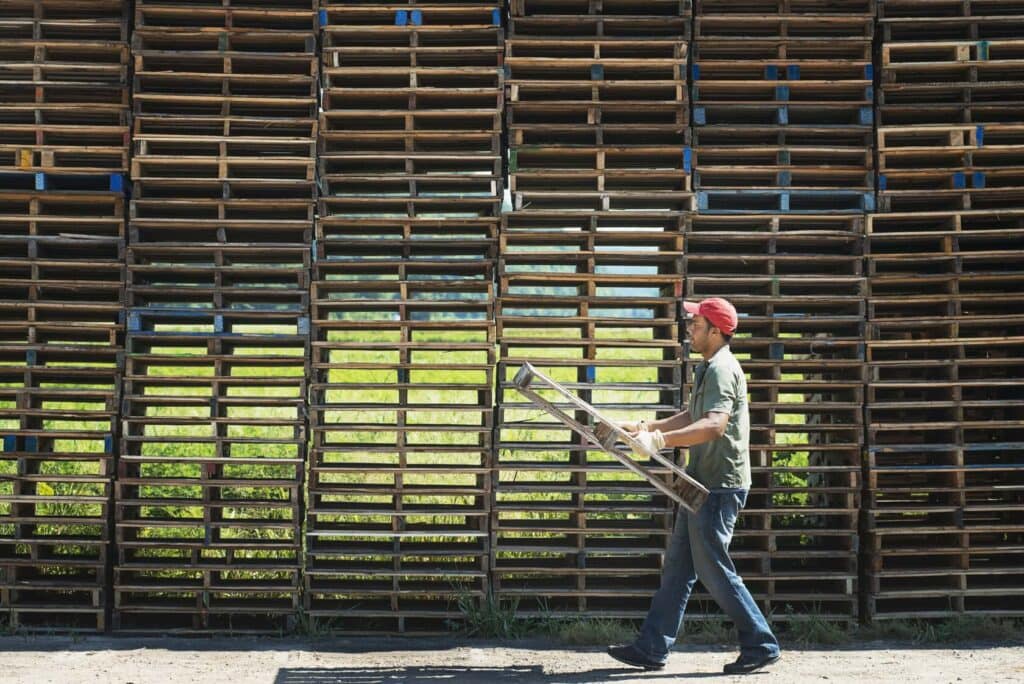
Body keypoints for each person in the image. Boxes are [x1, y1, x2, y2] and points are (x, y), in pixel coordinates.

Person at [607, 297, 781, 675]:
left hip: (719, 486)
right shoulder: (707, 367)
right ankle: (652, 647)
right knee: (678, 569)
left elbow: (715, 425)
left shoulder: (721, 369)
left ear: (716, 331)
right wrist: (648, 428)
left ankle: (761, 642)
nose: (689, 329)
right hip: (700, 481)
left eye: (696, 324)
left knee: (713, 569)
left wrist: (662, 443)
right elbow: (692, 415)